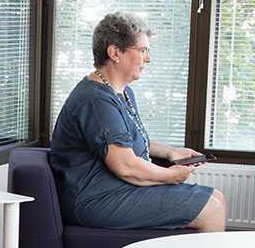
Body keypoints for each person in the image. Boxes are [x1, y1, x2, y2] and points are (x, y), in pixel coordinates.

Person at [49, 12, 225, 233]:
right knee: (211, 208)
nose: (148, 59)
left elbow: (127, 138)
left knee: (217, 198)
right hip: (97, 198)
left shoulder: (121, 92)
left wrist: (171, 152)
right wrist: (170, 176)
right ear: (114, 53)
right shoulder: (96, 100)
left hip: (117, 190)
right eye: (142, 51)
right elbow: (125, 166)